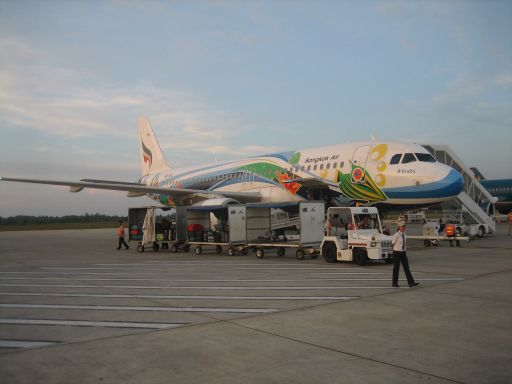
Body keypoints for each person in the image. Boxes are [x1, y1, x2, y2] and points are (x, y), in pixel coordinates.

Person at [391, 221, 419, 288]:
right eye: (402, 226)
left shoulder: (404, 234)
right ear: (399, 227)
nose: (404, 227)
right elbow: (392, 244)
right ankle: (394, 283)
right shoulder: (396, 235)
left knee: (406, 267)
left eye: (404, 226)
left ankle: (411, 282)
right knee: (396, 268)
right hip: (397, 252)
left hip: (403, 252)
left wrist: (404, 250)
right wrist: (393, 252)